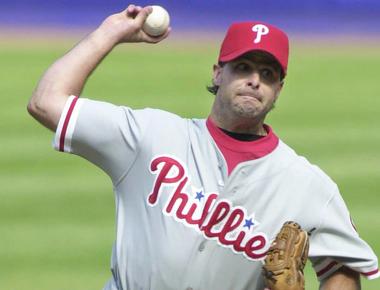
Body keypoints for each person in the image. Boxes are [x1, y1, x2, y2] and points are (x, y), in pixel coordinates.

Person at [28, 4, 378, 290]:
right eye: (243, 67)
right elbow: (46, 102)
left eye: (268, 74)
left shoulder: (307, 185)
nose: (255, 80)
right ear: (217, 73)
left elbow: (344, 269)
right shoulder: (149, 135)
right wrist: (110, 33)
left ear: (278, 90)